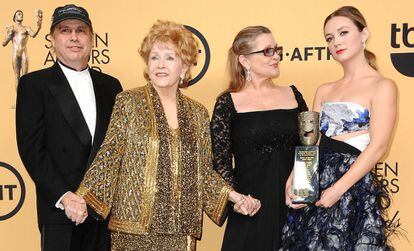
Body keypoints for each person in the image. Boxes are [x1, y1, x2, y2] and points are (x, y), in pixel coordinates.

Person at [74, 20, 260, 251]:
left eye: (169, 58)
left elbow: (204, 172)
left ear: (184, 67)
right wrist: (82, 198)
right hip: (134, 230)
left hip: (180, 231)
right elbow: (110, 155)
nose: (160, 65)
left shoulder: (197, 113)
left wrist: (235, 197)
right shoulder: (129, 102)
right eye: (154, 57)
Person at [281, 6, 397, 250]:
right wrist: (293, 180)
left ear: (364, 34)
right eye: (330, 38)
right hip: (315, 184)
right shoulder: (324, 90)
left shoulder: (382, 86)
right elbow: (310, 143)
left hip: (351, 186)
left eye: (343, 33)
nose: (336, 42)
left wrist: (337, 190)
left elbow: (378, 147)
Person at [15, 4, 123, 251]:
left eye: (81, 30)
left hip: (103, 213)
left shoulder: (111, 87)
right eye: (65, 30)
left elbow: (118, 150)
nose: (74, 37)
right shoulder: (34, 84)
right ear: (52, 39)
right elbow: (32, 149)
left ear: (92, 39)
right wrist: (64, 196)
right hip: (60, 212)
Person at [211, 26, 308, 251]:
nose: (276, 56)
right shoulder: (227, 103)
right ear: (244, 60)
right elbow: (220, 163)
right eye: (267, 51)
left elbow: (309, 146)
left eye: (277, 49)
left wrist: (303, 190)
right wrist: (237, 200)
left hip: (294, 206)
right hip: (250, 209)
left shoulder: (293, 94)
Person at [2, 9, 42, 89]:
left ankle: (24, 98)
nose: (21, 15)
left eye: (21, 14)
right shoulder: (12, 28)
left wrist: (39, 25)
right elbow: (3, 43)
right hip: (15, 54)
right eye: (19, 14)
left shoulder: (26, 28)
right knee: (17, 77)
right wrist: (9, 35)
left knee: (25, 77)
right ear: (15, 17)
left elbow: (33, 34)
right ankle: (18, 99)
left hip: (24, 53)